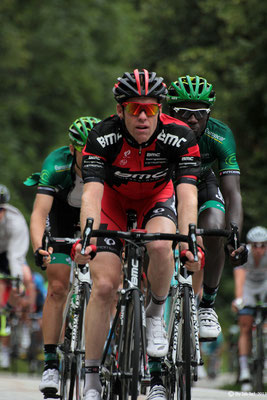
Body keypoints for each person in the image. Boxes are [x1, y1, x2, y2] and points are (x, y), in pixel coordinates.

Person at [74, 68, 205, 400]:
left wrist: (190, 240)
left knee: (162, 245)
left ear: (161, 109)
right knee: (104, 286)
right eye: (135, 109)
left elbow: (187, 193)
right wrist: (86, 238)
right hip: (113, 203)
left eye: (151, 108)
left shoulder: (179, 136)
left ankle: (154, 313)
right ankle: (90, 376)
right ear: (120, 111)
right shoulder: (103, 136)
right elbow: (91, 193)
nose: (144, 116)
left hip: (156, 200)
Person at [166, 75, 248, 341]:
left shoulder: (219, 135)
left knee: (215, 228)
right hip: (166, 185)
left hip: (203, 185)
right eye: (184, 113)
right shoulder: (160, 132)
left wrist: (234, 234)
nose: (192, 120)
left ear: (208, 114)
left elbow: (232, 192)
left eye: (199, 113)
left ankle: (207, 305)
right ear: (170, 112)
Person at [24, 116, 101, 395]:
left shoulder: (109, 161)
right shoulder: (56, 164)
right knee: (57, 287)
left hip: (98, 218)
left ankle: (113, 354)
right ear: (73, 149)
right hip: (61, 218)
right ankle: (51, 364)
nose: (91, 157)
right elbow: (39, 213)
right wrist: (38, 248)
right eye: (85, 151)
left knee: (111, 284)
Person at [0, 184, 36, 368]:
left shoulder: (16, 221)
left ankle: (25, 321)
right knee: (1, 293)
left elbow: (16, 256)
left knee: (27, 279)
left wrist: (17, 281)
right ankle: (4, 347)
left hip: (12, 255)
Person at [232, 226, 267, 391]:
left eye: (263, 245)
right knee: (245, 325)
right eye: (255, 245)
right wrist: (239, 300)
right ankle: (244, 368)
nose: (259, 249)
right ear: (250, 245)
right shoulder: (243, 253)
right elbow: (240, 279)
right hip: (248, 288)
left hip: (265, 287)